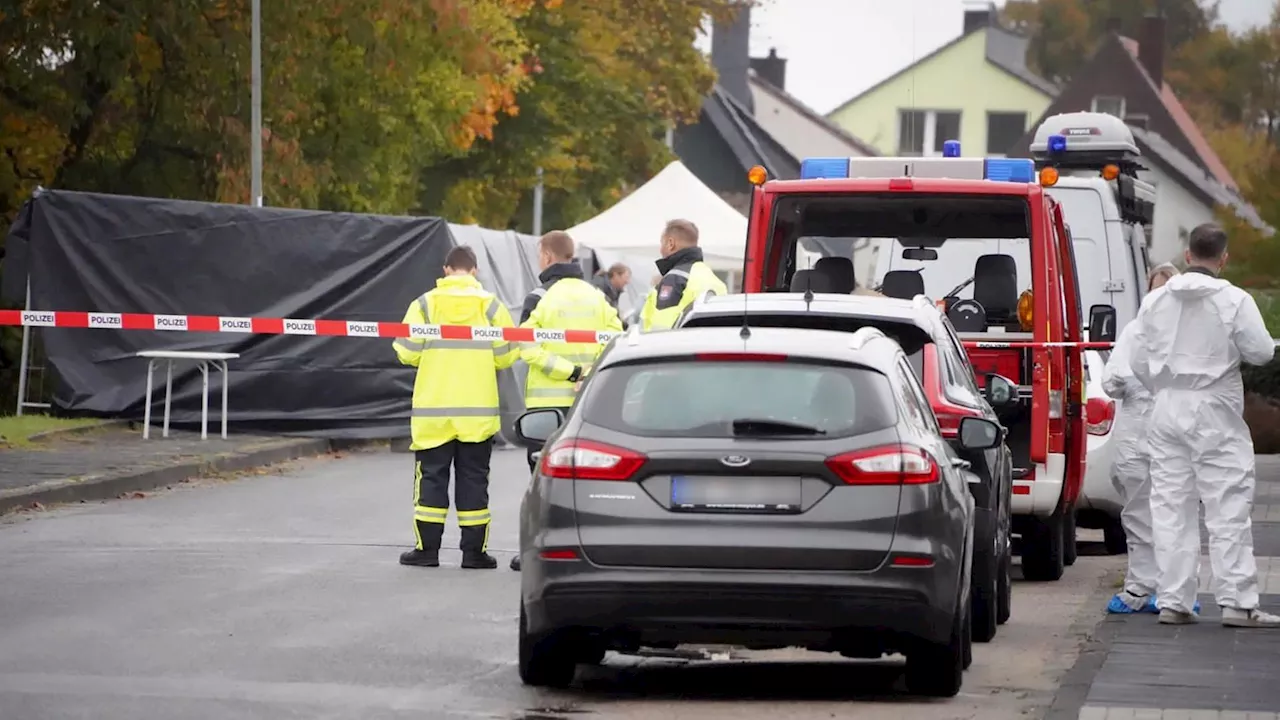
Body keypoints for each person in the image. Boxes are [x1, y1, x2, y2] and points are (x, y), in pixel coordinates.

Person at [1130, 223, 1279, 627]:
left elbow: (1138, 360)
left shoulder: (1155, 302)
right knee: (1227, 503)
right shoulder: (1234, 300)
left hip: (1166, 406)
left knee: (1171, 506)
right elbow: (1262, 353)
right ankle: (1236, 602)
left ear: (1188, 256)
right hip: (1214, 407)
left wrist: (1162, 387)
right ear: (1223, 258)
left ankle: (1175, 601)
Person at [392, 245, 518, 570]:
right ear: (474, 271)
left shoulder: (424, 304)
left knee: (431, 479)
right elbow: (506, 356)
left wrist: (432, 355)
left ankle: (427, 551)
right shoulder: (491, 307)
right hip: (477, 414)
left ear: (446, 269)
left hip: (433, 412)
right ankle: (474, 554)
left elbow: (405, 351)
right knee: (474, 480)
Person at [511, 231, 623, 571]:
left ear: (546, 255)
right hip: (589, 405)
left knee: (541, 481)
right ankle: (588, 549)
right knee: (587, 475)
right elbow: (618, 339)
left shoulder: (539, 297)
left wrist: (570, 372)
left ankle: (536, 551)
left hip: (546, 409)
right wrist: (589, 374)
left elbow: (526, 346)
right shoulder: (597, 297)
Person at [1101, 262, 1179, 614]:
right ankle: (1141, 587)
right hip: (1139, 439)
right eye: (1156, 289)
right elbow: (1111, 379)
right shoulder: (1136, 331)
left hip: (1172, 436)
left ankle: (1171, 590)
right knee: (1137, 515)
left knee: (1173, 516)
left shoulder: (1183, 333)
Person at [640, 219, 728, 332]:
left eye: (662, 243)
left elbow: (662, 329)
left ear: (670, 243)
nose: (660, 249)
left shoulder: (675, 279)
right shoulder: (713, 279)